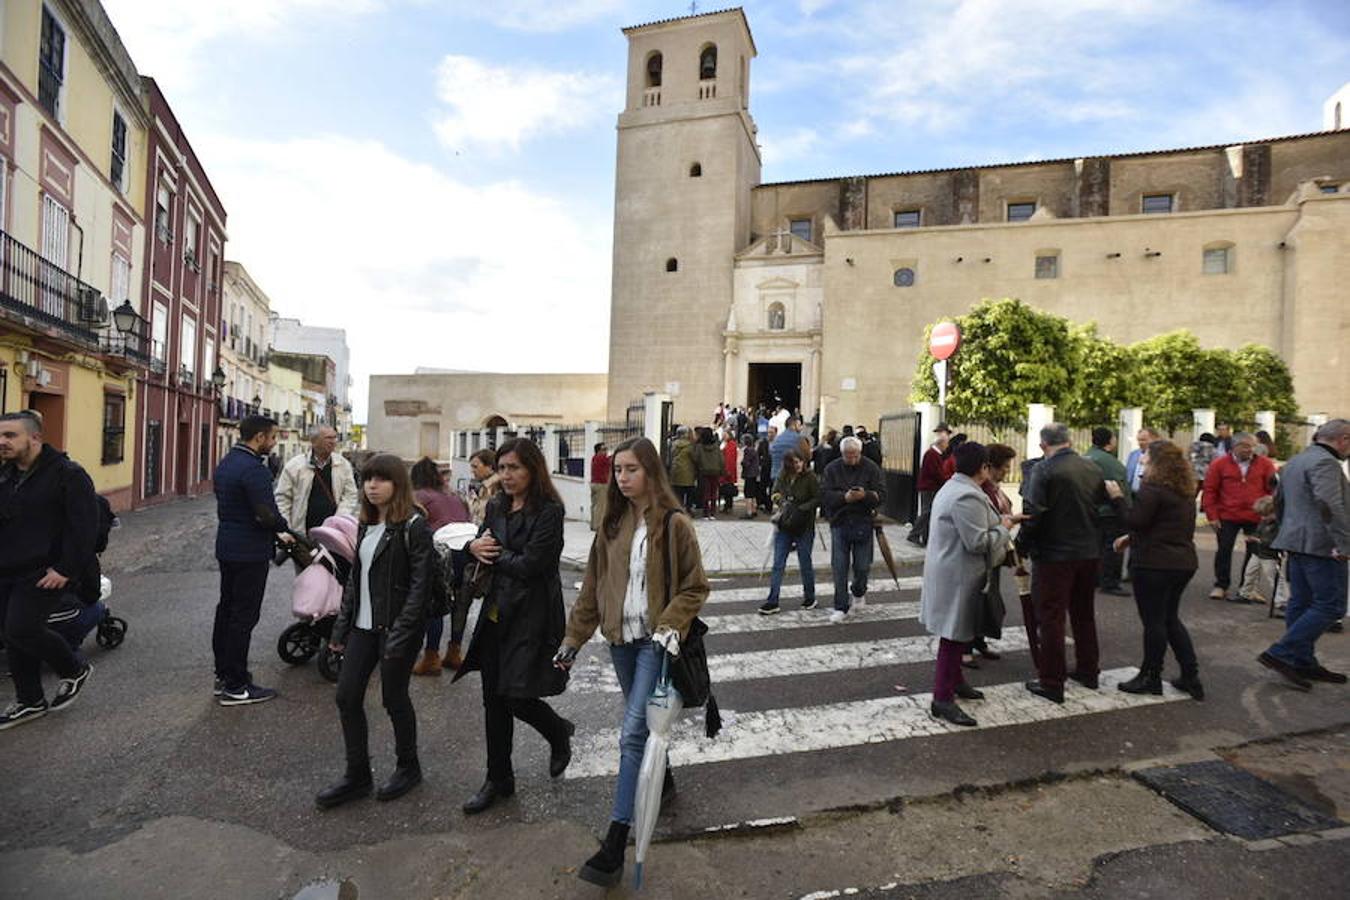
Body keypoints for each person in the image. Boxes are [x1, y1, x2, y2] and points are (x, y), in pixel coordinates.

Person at [555, 437, 709, 886]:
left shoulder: (674, 524)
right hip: (620, 642)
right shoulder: (612, 522)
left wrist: (670, 626)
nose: (621, 478)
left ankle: (613, 844)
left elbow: (695, 587)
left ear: (651, 473)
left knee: (630, 736)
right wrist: (572, 641)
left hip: (654, 645)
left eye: (631, 470)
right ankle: (662, 778)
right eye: (617, 470)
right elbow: (592, 588)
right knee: (640, 728)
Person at [454, 438, 573, 814]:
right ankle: (498, 779)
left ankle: (557, 731)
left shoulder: (550, 511)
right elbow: (483, 541)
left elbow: (532, 565)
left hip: (533, 615)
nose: (506, 475)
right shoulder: (497, 505)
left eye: (514, 468)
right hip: (496, 611)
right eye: (502, 468)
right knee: (493, 699)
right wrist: (473, 547)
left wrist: (496, 554)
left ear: (532, 470)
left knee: (517, 694)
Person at [317, 454, 436, 808]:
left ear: (398, 484)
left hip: (396, 630)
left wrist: (400, 636)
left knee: (393, 698)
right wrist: (339, 630)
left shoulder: (414, 527)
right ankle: (357, 776)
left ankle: (408, 767)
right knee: (346, 696)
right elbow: (355, 581)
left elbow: (420, 588)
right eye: (368, 479)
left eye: (381, 479)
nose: (372, 486)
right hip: (363, 628)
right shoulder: (366, 525)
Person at [0, 411, 97, 730]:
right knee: (13, 637)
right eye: (0, 436)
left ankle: (74, 668)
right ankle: (30, 700)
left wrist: (66, 569)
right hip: (7, 568)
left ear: (35, 437)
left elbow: (85, 528)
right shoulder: (6, 475)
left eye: (10, 435)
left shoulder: (69, 474)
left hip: (46, 571)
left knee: (22, 629)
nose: (2, 442)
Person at [920, 442, 1015, 726]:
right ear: (983, 467)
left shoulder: (954, 487)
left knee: (959, 633)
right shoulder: (966, 495)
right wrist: (1004, 528)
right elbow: (977, 542)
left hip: (953, 572)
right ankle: (942, 699)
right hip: (958, 575)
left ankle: (956, 683)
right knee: (952, 637)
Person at [1017, 423, 1108, 704]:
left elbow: (1034, 513)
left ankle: (1052, 681)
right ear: (1069, 441)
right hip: (1088, 551)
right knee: (1084, 613)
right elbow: (1100, 506)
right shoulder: (1092, 467)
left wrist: (1021, 545)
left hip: (1055, 554)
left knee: (1052, 617)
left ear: (1043, 445)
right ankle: (1088, 670)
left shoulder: (1043, 470)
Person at [1258, 419, 1350, 690]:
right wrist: (1344, 543)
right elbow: (1328, 504)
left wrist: (1287, 531)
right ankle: (1281, 653)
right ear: (1343, 439)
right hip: (1322, 545)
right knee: (1330, 605)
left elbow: (1279, 501)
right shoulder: (1326, 463)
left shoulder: (1298, 460)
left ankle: (1302, 660)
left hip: (1296, 541)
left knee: (1301, 601)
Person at [1111, 441, 1203, 699]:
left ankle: (1150, 676)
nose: (1141, 460)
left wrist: (1117, 498)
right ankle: (1190, 675)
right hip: (1182, 561)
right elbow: (1165, 524)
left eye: (1146, 456)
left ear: (1157, 461)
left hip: (1155, 563)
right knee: (1170, 618)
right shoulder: (1184, 490)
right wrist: (1131, 538)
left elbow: (1135, 520)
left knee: (1154, 622)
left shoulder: (1152, 489)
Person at [212, 414, 290, 706]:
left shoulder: (227, 463)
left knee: (227, 611)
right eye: (272, 437)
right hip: (250, 552)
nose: (273, 442)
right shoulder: (254, 470)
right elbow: (265, 513)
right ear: (259, 437)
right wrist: (283, 529)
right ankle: (236, 684)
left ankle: (223, 675)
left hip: (227, 547)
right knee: (244, 616)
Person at [409, 457, 470, 676]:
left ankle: (431, 657)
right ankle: (454, 652)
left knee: (435, 602)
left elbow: (414, 527)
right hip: (467, 549)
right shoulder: (454, 496)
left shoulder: (418, 496)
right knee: (459, 602)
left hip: (442, 552)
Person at [1201, 432, 1277, 602]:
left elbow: (1273, 489)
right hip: (1227, 514)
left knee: (1255, 553)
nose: (1251, 450)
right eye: (1246, 446)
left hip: (1256, 516)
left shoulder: (1265, 463)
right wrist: (1212, 515)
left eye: (1253, 446)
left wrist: (1270, 511)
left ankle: (1247, 588)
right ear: (1234, 447)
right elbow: (1210, 490)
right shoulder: (1219, 464)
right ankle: (1221, 585)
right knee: (1224, 550)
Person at [821, 436, 886, 623]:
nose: (852, 459)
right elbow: (824, 495)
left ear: (860, 453)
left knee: (863, 566)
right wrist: (844, 498)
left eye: (855, 455)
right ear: (842, 454)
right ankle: (840, 606)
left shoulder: (871, 468)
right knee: (839, 567)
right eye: (848, 456)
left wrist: (865, 495)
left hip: (863, 521)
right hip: (840, 522)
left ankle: (859, 591)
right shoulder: (831, 469)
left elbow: (882, 494)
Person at [967, 442, 1017, 666]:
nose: (1007, 471)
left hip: (994, 551)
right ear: (990, 467)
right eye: (1004, 467)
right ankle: (966, 645)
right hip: (984, 552)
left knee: (988, 600)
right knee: (975, 601)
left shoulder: (994, 487)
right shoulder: (982, 491)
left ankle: (979, 639)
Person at [759, 450, 820, 614]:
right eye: (794, 462)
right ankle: (773, 600)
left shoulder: (810, 477)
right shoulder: (783, 475)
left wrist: (801, 508)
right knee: (778, 563)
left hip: (803, 525)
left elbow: (817, 498)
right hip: (785, 524)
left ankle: (810, 597)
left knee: (805, 562)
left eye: (800, 461)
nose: (798, 465)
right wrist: (782, 502)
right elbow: (775, 492)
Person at [275, 425, 360, 535]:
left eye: (335, 438)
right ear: (314, 441)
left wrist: (338, 519)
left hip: (333, 533)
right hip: (302, 533)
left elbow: (350, 495)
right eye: (328, 438)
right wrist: (285, 530)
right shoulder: (295, 466)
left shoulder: (343, 465)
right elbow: (283, 499)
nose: (333, 442)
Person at [1085, 427, 1131, 596]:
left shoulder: (1085, 457)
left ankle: (1095, 578)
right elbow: (1120, 488)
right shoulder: (1111, 462)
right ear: (1110, 442)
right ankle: (1110, 582)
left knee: (1096, 546)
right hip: (1110, 511)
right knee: (1113, 546)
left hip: (1090, 510)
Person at [1238, 496, 1289, 611]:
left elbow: (1274, 541)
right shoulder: (1263, 522)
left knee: (1274, 578)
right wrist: (1255, 537)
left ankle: (1282, 600)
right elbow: (1258, 532)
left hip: (1270, 555)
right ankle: (1245, 593)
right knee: (1249, 573)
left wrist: (1258, 540)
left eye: (1266, 515)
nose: (1263, 518)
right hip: (1258, 552)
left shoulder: (1279, 525)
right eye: (1261, 515)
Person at [909, 424, 952, 547]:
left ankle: (926, 538)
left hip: (930, 486)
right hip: (929, 487)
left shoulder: (935, 454)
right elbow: (935, 472)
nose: (947, 446)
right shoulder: (932, 454)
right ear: (941, 444)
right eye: (946, 444)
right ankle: (914, 534)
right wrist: (946, 480)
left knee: (930, 512)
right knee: (927, 512)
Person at [694, 427, 724, 519]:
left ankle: (706, 512)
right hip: (715, 471)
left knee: (706, 492)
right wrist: (721, 469)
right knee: (713, 492)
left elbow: (696, 458)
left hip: (704, 471)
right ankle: (713, 512)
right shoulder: (716, 446)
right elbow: (721, 459)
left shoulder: (699, 447)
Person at [466, 448, 501, 526]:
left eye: (475, 467)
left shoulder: (499, 486)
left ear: (490, 467)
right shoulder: (481, 487)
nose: (472, 471)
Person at [669, 426, 697, 513]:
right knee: (689, 493)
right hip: (688, 473)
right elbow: (695, 458)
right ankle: (688, 509)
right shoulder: (690, 446)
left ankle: (678, 509)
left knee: (678, 493)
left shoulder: (673, 444)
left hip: (675, 471)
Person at [1126, 427, 1160, 493]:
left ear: (1155, 439)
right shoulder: (1133, 454)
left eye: (1143, 440)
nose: (1140, 443)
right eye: (1138, 440)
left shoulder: (1160, 456)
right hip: (1132, 495)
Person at [770, 417, 802, 481]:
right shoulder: (799, 439)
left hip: (776, 475)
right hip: (791, 477)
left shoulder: (777, 439)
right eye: (799, 425)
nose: (801, 428)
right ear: (793, 425)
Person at [589, 443, 612, 532]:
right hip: (601, 485)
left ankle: (593, 523)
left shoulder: (594, 458)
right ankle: (597, 526)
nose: (606, 451)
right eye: (604, 449)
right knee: (600, 506)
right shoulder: (602, 458)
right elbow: (612, 460)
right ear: (599, 451)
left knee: (594, 505)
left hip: (594, 483)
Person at [739, 434, 761, 519]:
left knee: (748, 493)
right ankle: (754, 509)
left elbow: (746, 463)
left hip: (749, 474)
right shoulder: (754, 450)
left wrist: (742, 462)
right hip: (754, 474)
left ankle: (749, 512)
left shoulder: (747, 450)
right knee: (753, 493)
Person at [719, 430, 739, 513]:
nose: (723, 436)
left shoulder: (731, 445)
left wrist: (727, 471)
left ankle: (727, 506)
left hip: (728, 470)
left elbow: (729, 459)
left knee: (727, 489)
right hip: (726, 469)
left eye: (725, 434)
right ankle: (728, 506)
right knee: (727, 489)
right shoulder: (727, 444)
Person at [757, 427, 775, 513]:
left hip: (774, 467)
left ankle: (769, 506)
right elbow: (758, 454)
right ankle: (763, 503)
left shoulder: (777, 443)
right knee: (762, 487)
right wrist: (760, 463)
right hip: (765, 467)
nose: (770, 434)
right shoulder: (763, 443)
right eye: (769, 433)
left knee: (772, 487)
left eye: (772, 433)